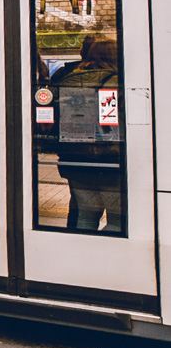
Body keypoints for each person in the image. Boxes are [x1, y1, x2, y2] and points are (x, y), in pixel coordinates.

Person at [52, 37, 122, 232]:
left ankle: (81, 256)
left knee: (85, 216)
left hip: (74, 160)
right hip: (109, 160)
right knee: (118, 220)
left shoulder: (69, 79)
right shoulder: (115, 82)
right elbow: (115, 125)